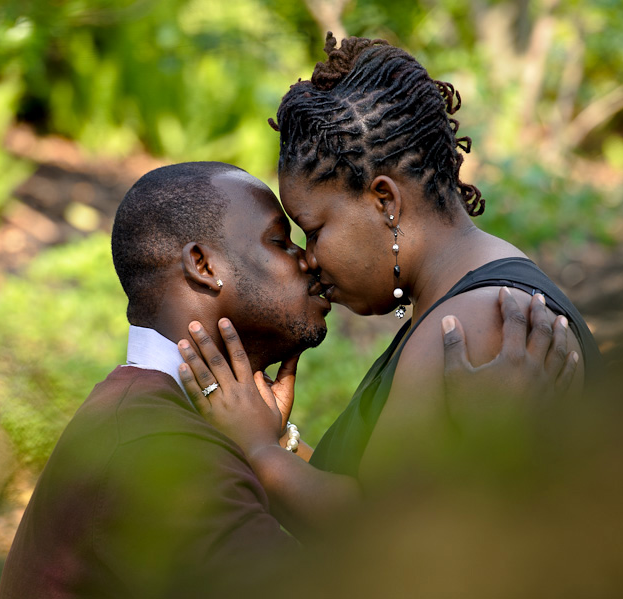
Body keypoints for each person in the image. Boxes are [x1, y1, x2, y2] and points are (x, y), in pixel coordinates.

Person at [0, 161, 571, 597]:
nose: (309, 261)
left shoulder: (154, 415)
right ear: (203, 266)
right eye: (281, 240)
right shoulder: (159, 452)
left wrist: (274, 447)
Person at [176, 34, 600, 541]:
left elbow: (381, 540)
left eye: (314, 231)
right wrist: (279, 441)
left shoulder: (471, 326)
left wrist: (259, 452)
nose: (308, 259)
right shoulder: (471, 293)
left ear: (384, 201)